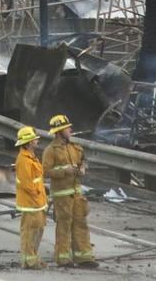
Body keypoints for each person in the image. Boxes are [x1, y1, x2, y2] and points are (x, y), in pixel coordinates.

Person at [41, 113, 97, 268]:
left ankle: (84, 257)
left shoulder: (75, 147)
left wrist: (83, 168)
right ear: (59, 131)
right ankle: (63, 258)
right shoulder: (50, 151)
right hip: (62, 196)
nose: (71, 130)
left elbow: (83, 160)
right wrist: (64, 170)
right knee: (64, 226)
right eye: (67, 128)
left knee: (81, 224)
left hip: (77, 194)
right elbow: (45, 171)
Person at [14, 125, 47, 269]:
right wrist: (36, 196)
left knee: (38, 229)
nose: (37, 141)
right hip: (30, 202)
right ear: (28, 143)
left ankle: (33, 257)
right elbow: (27, 184)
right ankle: (29, 261)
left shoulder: (31, 157)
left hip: (37, 201)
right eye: (34, 140)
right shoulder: (23, 160)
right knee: (29, 231)